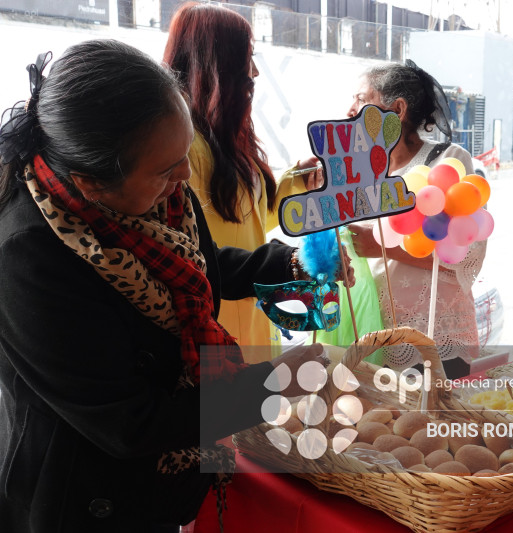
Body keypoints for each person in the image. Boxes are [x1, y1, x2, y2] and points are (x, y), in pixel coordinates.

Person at [0, 40, 351, 532]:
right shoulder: (27, 256)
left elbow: (196, 268)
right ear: (91, 184)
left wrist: (293, 263)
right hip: (84, 497)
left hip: (164, 480)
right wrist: (277, 383)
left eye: (185, 154)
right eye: (168, 170)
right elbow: (131, 424)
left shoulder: (162, 197)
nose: (185, 177)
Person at [164, 2, 324, 355]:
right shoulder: (183, 148)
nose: (254, 72)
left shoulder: (227, 137)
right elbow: (200, 247)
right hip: (220, 325)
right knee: (233, 408)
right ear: (215, 64)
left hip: (253, 311)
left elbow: (246, 222)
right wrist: (293, 261)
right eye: (246, 58)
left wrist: (294, 181)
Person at [347, 61, 486, 379]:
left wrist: (380, 245)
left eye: (360, 98)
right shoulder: (361, 172)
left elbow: (467, 253)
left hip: (434, 337)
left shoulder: (448, 162)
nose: (349, 109)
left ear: (396, 109)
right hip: (375, 333)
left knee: (434, 424)